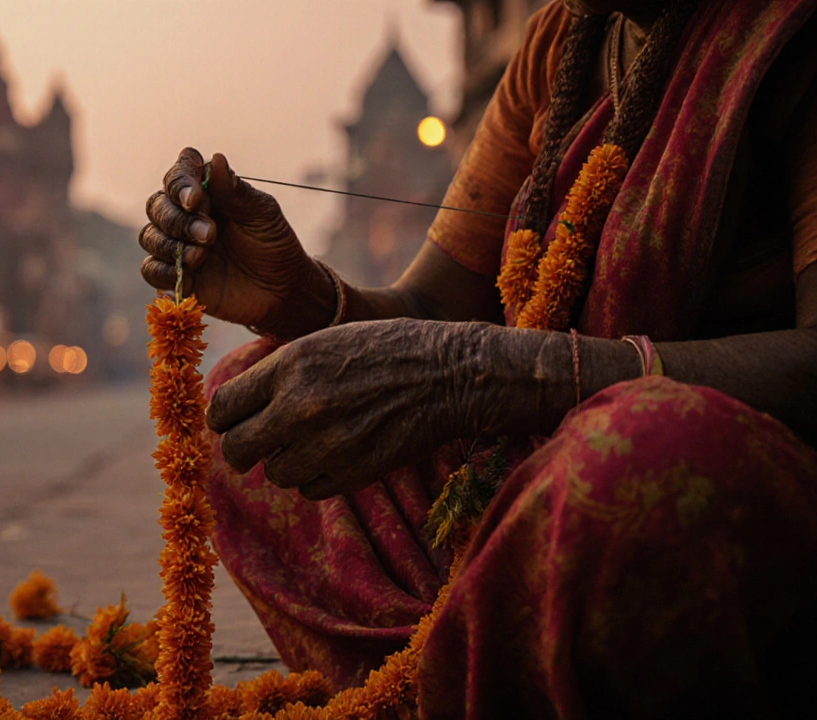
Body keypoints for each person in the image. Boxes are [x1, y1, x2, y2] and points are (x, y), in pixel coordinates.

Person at [138, 0, 817, 716]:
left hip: (707, 492)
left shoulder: (787, 34)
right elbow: (434, 308)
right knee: (252, 404)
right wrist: (299, 297)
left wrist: (494, 373)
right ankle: (468, 670)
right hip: (531, 476)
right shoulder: (565, 38)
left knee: (637, 455)